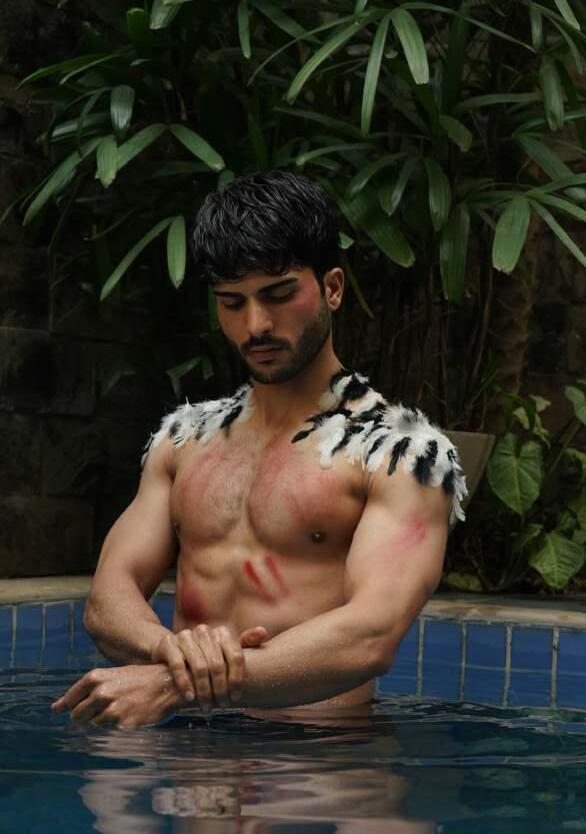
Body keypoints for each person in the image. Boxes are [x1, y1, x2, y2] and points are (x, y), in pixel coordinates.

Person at [52, 171, 467, 727]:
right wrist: (170, 654)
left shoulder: (400, 455)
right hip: (190, 749)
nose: (256, 326)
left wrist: (176, 686)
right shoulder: (184, 440)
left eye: (279, 294)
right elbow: (108, 598)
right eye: (232, 302)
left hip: (320, 752)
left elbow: (371, 634)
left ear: (333, 288)